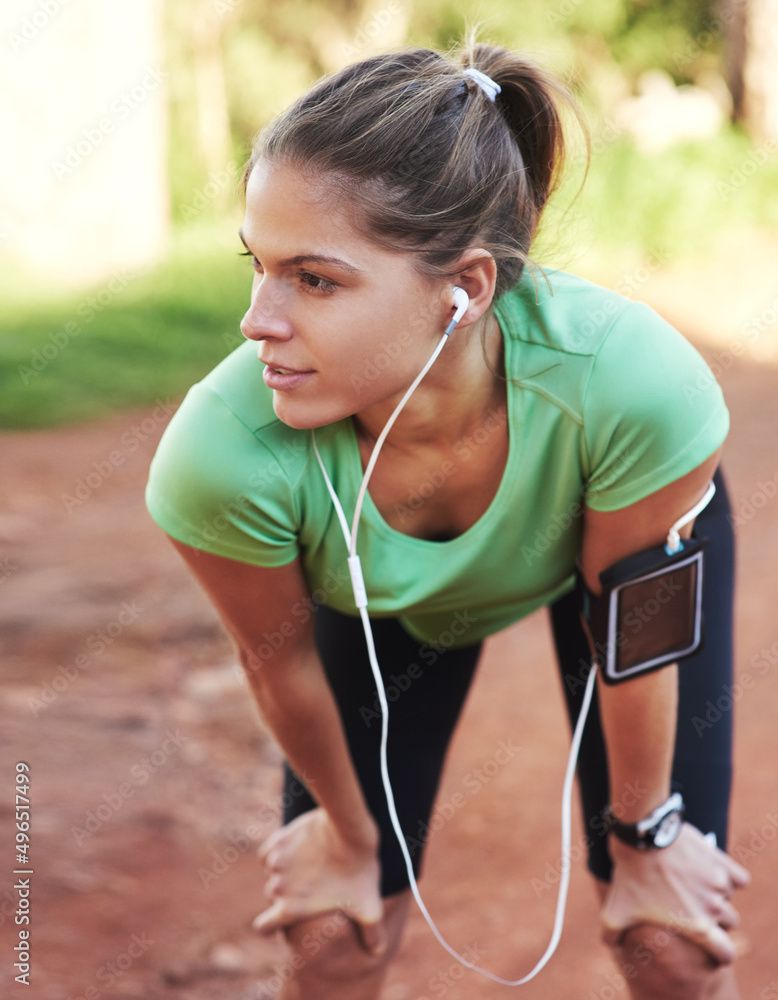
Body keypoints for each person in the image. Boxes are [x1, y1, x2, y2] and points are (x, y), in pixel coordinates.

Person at [146, 40, 750, 1000]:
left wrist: (644, 845)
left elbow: (635, 645)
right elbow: (280, 665)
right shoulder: (224, 456)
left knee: (666, 943)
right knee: (331, 933)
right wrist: (347, 840)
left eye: (314, 279)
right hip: (382, 604)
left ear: (463, 289)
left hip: (603, 555)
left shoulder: (632, 387)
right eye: (255, 267)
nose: (257, 320)